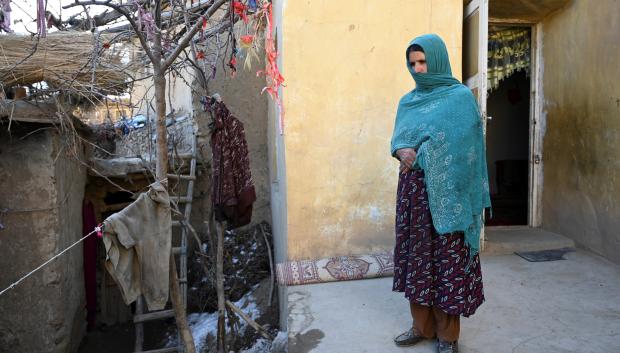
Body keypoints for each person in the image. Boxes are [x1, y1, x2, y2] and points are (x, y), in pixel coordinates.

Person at [390, 34, 491, 353]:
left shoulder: (460, 98)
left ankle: (448, 337)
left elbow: (468, 147)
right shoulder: (408, 101)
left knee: (447, 262)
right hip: (415, 196)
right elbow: (397, 139)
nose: (418, 69)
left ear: (437, 60)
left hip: (450, 199)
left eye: (424, 62)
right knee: (418, 261)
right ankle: (421, 326)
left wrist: (426, 151)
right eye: (413, 63)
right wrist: (401, 150)